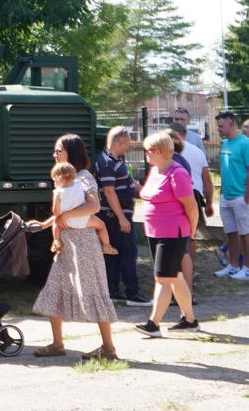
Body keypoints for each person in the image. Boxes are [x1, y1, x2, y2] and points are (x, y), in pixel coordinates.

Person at [30, 133, 118, 360]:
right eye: (55, 151)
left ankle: (108, 348)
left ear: (72, 152)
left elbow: (94, 205)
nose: (55, 154)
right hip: (66, 243)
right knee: (54, 288)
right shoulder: (64, 179)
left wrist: (65, 216)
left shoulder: (83, 177)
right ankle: (58, 344)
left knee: (94, 290)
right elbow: (60, 214)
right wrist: (44, 225)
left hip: (84, 243)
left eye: (59, 150)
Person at [134, 130, 200, 336]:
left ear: (161, 151)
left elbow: (191, 206)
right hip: (155, 231)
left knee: (162, 278)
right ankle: (190, 320)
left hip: (173, 233)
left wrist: (192, 230)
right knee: (174, 276)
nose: (145, 153)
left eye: (149, 150)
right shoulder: (155, 171)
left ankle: (153, 324)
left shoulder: (177, 173)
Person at [95, 126, 150, 306]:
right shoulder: (106, 162)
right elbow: (109, 192)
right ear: (119, 142)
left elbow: (127, 182)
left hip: (118, 215)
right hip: (114, 216)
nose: (129, 146)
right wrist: (121, 218)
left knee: (114, 253)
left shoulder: (115, 160)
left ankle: (114, 291)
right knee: (127, 252)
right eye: (127, 142)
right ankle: (132, 293)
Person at [175, 121, 214, 303]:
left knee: (179, 241)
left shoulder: (169, 153)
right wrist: (209, 202)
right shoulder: (197, 151)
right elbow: (207, 179)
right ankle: (190, 270)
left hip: (179, 198)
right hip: (195, 196)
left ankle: (181, 276)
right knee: (191, 238)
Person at [48, 162, 117, 255]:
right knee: (102, 226)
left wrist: (58, 218)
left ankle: (57, 241)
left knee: (55, 223)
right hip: (85, 219)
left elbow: (55, 210)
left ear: (60, 178)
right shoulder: (78, 183)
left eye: (55, 180)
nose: (54, 183)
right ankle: (106, 245)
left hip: (67, 222)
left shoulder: (57, 192)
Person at [214, 110, 249, 281]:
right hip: (226, 196)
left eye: (221, 126)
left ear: (231, 123)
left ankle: (247, 268)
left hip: (240, 196)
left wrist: (247, 195)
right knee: (231, 233)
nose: (218, 129)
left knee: (245, 233)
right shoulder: (225, 142)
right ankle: (234, 266)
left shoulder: (245, 143)